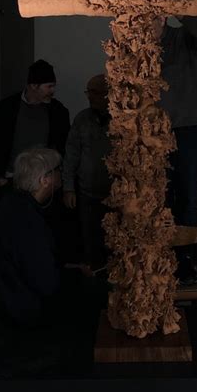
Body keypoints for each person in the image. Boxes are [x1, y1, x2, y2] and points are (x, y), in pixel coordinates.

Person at [0, 147, 93, 330]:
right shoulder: (27, 219)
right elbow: (46, 282)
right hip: (24, 309)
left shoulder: (12, 203)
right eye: (58, 170)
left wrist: (70, 268)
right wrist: (76, 275)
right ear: (44, 180)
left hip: (9, 300)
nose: (62, 173)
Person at [153, 15, 197, 283]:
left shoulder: (183, 38)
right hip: (156, 132)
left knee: (189, 195)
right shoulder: (139, 44)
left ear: (163, 16)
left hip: (190, 126)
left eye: (153, 16)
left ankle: (186, 259)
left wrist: (180, 7)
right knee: (160, 195)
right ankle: (161, 259)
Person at [0, 59, 70, 188]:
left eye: (53, 86)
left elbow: (65, 146)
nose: (53, 91)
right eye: (49, 86)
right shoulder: (6, 108)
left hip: (43, 181)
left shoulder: (58, 111)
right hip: (10, 178)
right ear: (34, 85)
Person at [62, 74, 112, 270]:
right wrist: (68, 188)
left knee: (114, 245)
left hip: (115, 196)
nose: (90, 97)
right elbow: (71, 155)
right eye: (88, 92)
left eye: (95, 93)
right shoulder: (82, 119)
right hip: (87, 196)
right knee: (90, 246)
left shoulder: (123, 120)